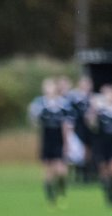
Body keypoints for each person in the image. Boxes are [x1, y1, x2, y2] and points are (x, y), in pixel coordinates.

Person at [29, 78, 72, 207]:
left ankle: (61, 191)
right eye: (46, 87)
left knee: (61, 171)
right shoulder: (39, 104)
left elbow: (66, 125)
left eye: (50, 86)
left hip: (58, 139)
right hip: (46, 139)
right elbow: (34, 123)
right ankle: (51, 198)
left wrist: (66, 143)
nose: (48, 89)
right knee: (48, 170)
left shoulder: (62, 104)